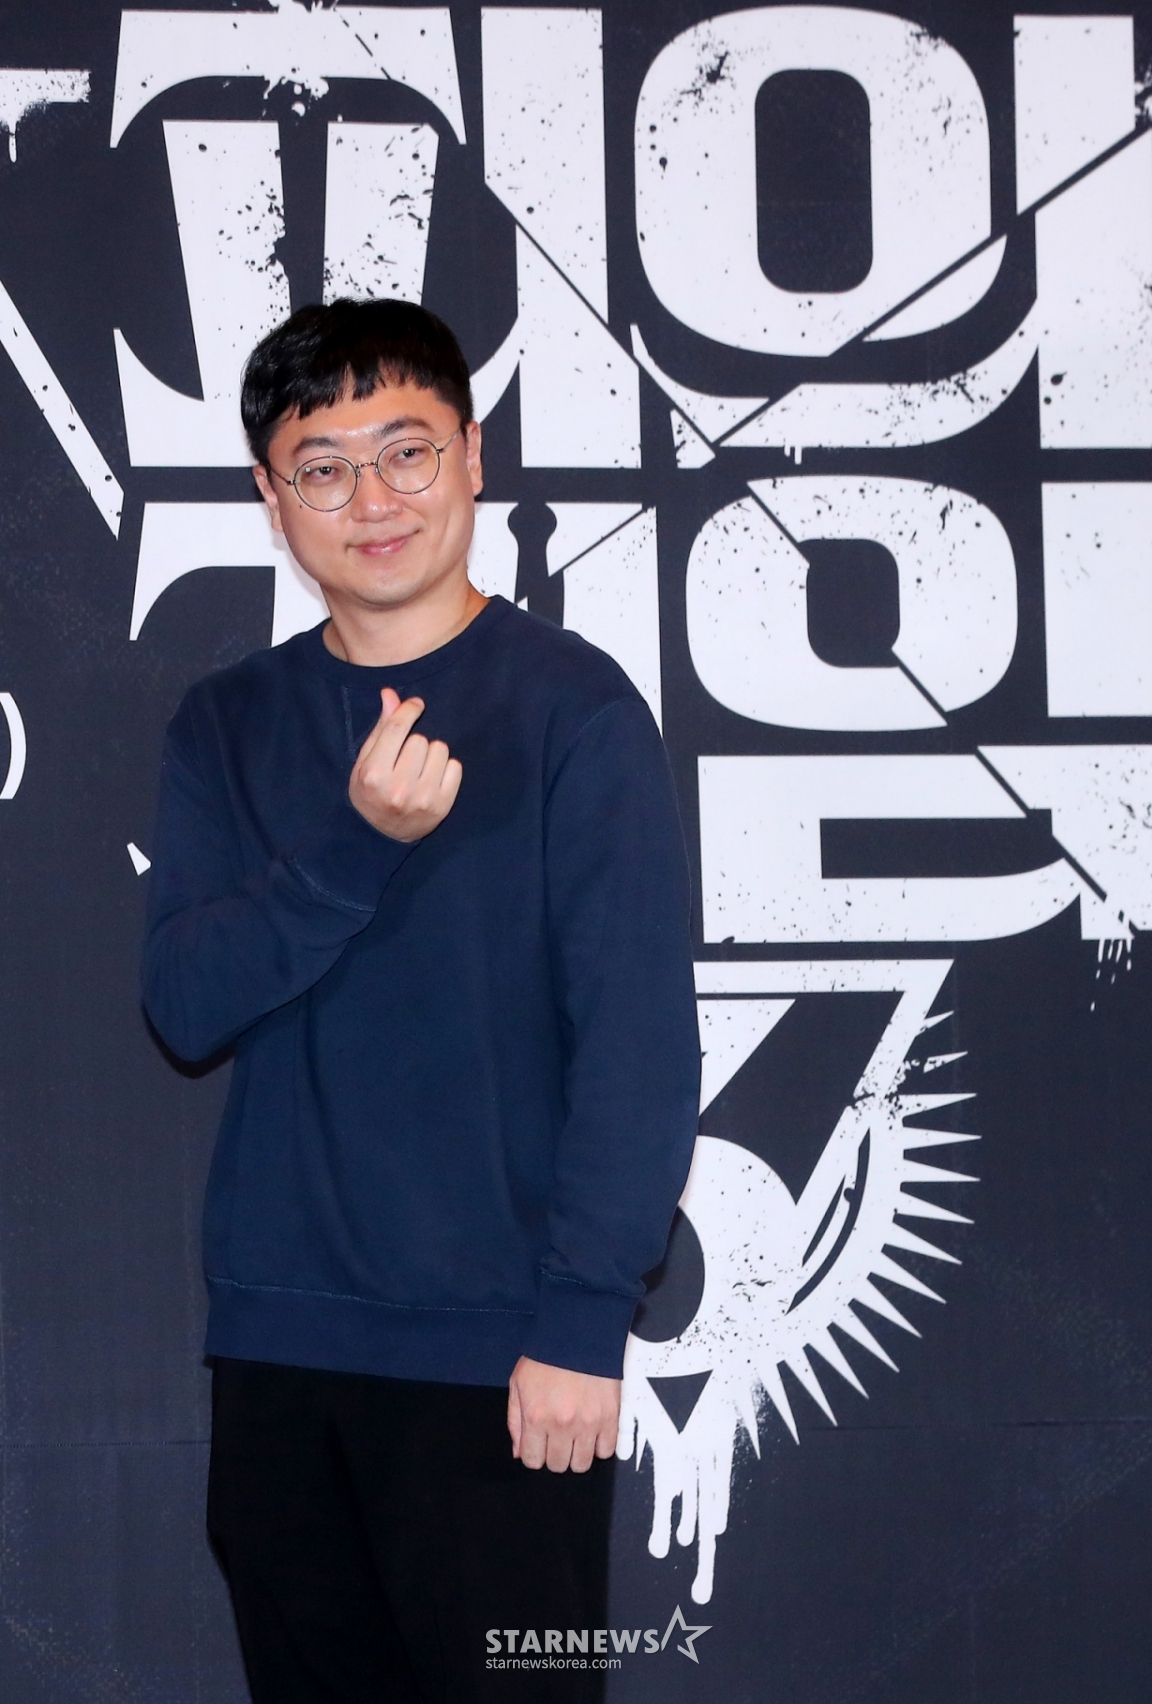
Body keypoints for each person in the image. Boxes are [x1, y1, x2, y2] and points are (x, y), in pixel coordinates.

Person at [141, 297, 700, 1703]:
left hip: (506, 1359)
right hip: (279, 1354)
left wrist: (581, 1322)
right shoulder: (226, 723)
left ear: (473, 454)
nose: (372, 499)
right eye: (323, 466)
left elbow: (637, 1045)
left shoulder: (576, 710)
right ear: (272, 497)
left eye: (407, 450)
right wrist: (354, 847)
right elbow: (185, 1005)